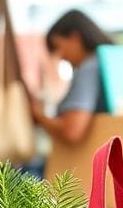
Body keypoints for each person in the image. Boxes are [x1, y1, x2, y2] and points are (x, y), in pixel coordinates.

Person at [31, 9, 113, 145]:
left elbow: (72, 132)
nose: (60, 56)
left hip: (86, 161)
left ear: (75, 38)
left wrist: (38, 115)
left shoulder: (89, 68)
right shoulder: (112, 61)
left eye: (58, 47)